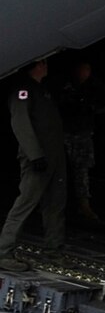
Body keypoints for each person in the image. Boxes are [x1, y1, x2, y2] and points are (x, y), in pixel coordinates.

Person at [4, 59, 69, 270]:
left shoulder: (42, 90)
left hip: (54, 157)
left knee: (55, 205)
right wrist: (34, 155)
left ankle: (53, 250)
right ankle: (4, 251)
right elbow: (20, 122)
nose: (46, 65)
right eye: (42, 63)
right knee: (25, 203)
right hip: (38, 158)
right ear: (34, 67)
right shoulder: (24, 90)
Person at [57, 59, 105, 223]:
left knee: (81, 170)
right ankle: (52, 203)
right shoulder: (65, 84)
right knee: (58, 169)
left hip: (82, 132)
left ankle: (83, 204)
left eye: (87, 69)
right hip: (64, 131)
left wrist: (92, 107)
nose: (84, 73)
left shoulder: (93, 86)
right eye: (82, 69)